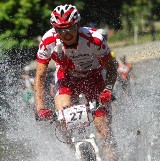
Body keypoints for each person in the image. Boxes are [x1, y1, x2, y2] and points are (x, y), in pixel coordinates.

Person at [34, 4, 117, 161]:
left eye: (70, 28)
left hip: (94, 77)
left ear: (78, 25)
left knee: (104, 131)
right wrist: (40, 107)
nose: (66, 34)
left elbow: (112, 69)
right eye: (60, 30)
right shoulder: (48, 41)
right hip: (67, 78)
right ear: (55, 29)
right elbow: (40, 76)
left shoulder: (94, 39)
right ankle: (73, 150)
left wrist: (108, 90)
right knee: (62, 116)